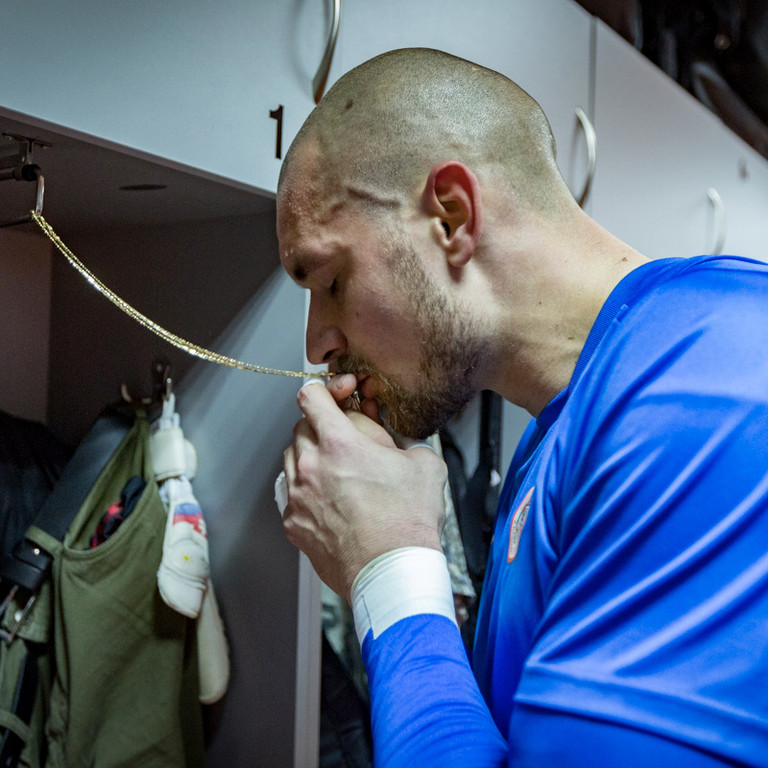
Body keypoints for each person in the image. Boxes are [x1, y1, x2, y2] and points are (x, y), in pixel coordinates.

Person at [276, 47, 768, 766]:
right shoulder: (562, 430)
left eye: (331, 280)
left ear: (450, 217)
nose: (319, 341)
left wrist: (389, 566)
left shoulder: (706, 382)